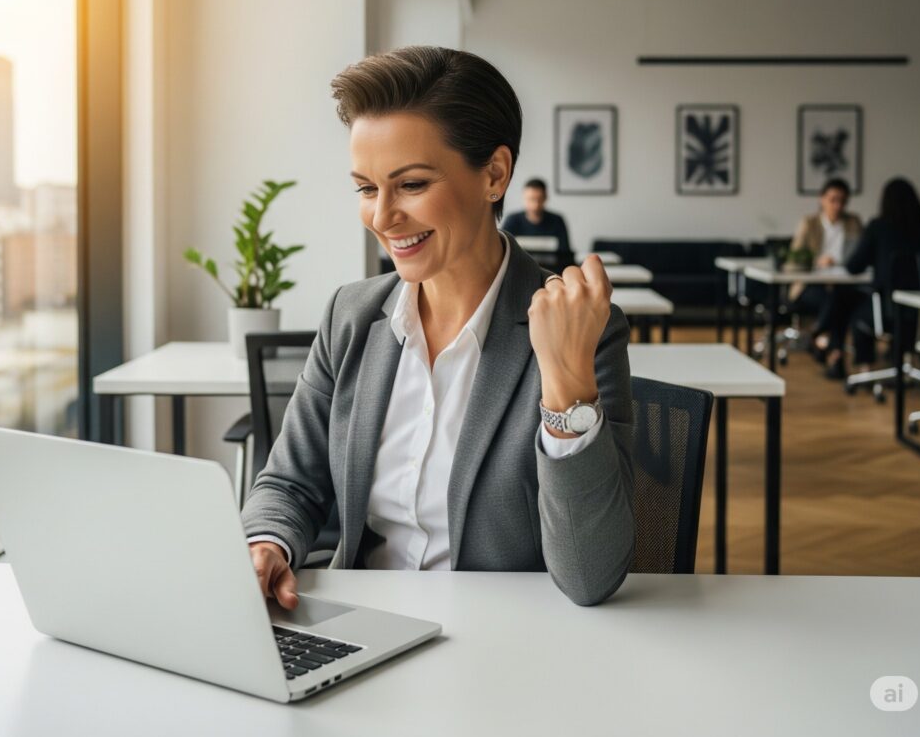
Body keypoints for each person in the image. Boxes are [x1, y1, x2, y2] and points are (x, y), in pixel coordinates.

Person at [241, 46, 634, 608]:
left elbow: (589, 575)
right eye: (366, 188)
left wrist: (566, 388)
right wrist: (267, 543)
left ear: (494, 175)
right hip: (358, 630)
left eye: (412, 184)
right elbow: (289, 484)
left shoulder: (581, 327)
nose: (382, 217)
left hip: (501, 648)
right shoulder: (350, 317)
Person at [823, 177, 920, 377]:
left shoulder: (878, 227)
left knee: (853, 309)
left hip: (890, 312)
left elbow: (854, 266)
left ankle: (864, 368)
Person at [787, 177, 863, 370]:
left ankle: (819, 338)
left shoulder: (853, 223)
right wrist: (815, 262)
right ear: (822, 199)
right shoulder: (809, 223)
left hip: (843, 283)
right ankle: (833, 353)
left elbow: (861, 256)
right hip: (810, 286)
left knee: (840, 297)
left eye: (842, 201)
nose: (838, 205)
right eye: (833, 199)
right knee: (836, 301)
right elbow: (793, 260)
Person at [501, 178, 573, 255]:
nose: (535, 205)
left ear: (545, 198)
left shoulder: (557, 221)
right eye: (531, 199)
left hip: (551, 266)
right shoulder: (512, 220)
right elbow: (502, 250)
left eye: (539, 199)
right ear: (524, 198)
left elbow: (565, 253)